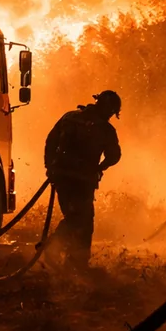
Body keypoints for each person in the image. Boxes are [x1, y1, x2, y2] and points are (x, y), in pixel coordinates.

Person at [43, 90, 122, 270]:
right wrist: (100, 168)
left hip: (61, 177)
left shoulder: (69, 117)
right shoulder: (105, 129)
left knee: (75, 217)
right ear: (110, 110)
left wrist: (50, 167)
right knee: (82, 219)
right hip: (82, 180)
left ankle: (71, 261)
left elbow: (51, 141)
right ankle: (66, 256)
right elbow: (114, 156)